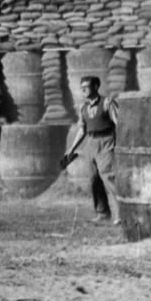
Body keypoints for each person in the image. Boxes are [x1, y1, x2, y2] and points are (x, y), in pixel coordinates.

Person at [61, 75, 120, 225]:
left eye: (86, 87)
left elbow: (119, 123)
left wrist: (119, 144)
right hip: (90, 142)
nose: (83, 90)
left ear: (95, 87)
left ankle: (120, 214)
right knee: (94, 179)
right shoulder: (83, 107)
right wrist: (72, 148)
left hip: (106, 141)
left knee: (109, 176)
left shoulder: (107, 102)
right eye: (81, 88)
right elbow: (82, 130)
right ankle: (102, 213)